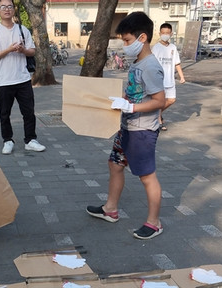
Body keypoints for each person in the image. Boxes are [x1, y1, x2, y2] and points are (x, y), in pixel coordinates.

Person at [86, 12, 166, 240]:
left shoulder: (151, 66)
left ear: (143, 38)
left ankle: (154, 222)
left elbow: (160, 101)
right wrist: (119, 100)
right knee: (114, 164)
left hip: (142, 131)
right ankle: (110, 209)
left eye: (128, 40)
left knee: (147, 176)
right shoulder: (137, 63)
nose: (125, 45)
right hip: (127, 129)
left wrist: (130, 108)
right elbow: (134, 92)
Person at [0, 0, 46, 155]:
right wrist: (9, 49)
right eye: (3, 7)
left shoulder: (22, 29)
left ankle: (30, 140)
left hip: (23, 78)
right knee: (4, 114)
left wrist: (22, 50)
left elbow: (32, 51)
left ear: (14, 9)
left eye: (10, 6)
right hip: (3, 80)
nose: (7, 9)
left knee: (29, 112)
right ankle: (7, 140)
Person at [151, 23, 185, 131]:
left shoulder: (173, 48)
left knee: (171, 100)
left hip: (170, 80)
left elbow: (177, 63)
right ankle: (159, 120)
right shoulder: (156, 48)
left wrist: (181, 76)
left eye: (167, 33)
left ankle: (157, 114)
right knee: (160, 101)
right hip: (159, 80)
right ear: (160, 33)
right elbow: (151, 64)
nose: (165, 35)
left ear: (171, 34)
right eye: (163, 33)